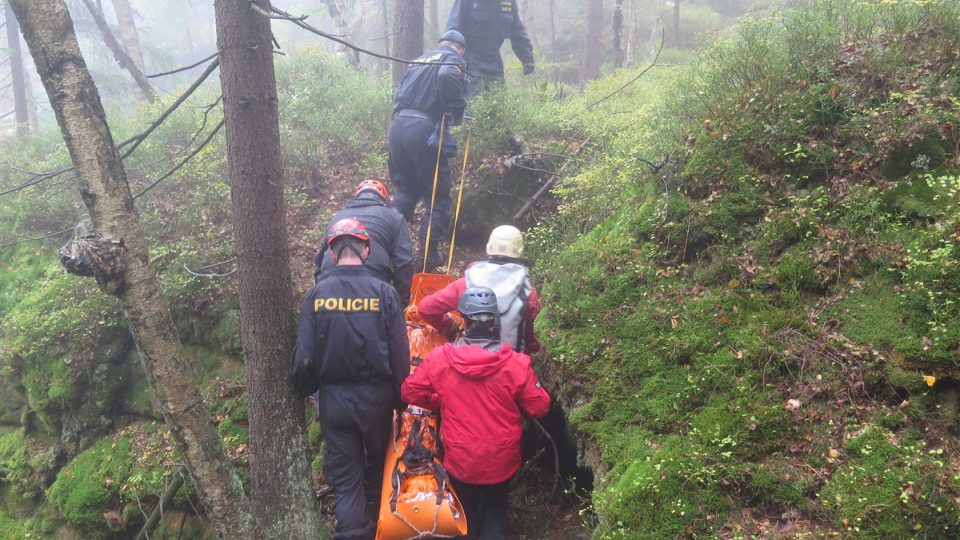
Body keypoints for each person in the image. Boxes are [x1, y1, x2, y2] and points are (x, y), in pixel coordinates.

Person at [290, 218, 410, 540]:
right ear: (367, 250)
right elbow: (400, 355)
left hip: (336, 402)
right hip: (378, 400)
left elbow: (304, 359)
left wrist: (307, 389)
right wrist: (401, 400)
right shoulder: (385, 294)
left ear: (331, 252)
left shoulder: (316, 296)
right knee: (375, 470)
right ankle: (379, 527)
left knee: (346, 479)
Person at [401, 286, 551, 540]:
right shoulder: (516, 363)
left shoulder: (441, 359)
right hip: (502, 460)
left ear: (464, 319)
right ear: (494, 319)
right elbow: (540, 406)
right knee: (495, 511)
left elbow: (409, 391)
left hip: (461, 461)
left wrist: (439, 401)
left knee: (465, 514)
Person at [388, 30, 467, 272]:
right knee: (437, 198)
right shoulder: (452, 59)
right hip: (421, 130)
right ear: (460, 48)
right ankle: (428, 257)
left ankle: (386, 246)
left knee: (405, 191)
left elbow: (400, 92)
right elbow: (446, 76)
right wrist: (456, 111)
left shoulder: (419, 60)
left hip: (398, 127)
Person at [417, 225, 540, 353]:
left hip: (467, 361)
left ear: (489, 249)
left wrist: (449, 326)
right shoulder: (529, 293)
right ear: (520, 253)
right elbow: (534, 338)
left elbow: (426, 309)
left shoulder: (467, 282)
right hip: (510, 365)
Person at [314, 179, 414, 305]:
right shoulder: (394, 217)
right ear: (384, 200)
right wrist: (401, 303)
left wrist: (319, 287)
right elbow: (404, 262)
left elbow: (320, 258)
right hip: (373, 280)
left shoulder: (338, 217)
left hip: (330, 280)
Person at [445, 0, 535, 97]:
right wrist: (452, 59)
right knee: (474, 103)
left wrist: (527, 58)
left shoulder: (508, 2)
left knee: (498, 104)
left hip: (495, 62)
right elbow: (453, 30)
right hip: (470, 61)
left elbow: (517, 30)